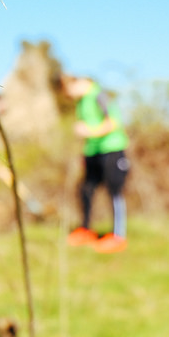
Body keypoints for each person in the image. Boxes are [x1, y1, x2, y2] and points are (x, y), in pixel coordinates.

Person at [63, 75, 130, 253]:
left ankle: (118, 236)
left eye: (69, 88)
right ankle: (85, 229)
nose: (68, 93)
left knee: (114, 191)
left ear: (81, 82)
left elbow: (112, 122)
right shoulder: (81, 102)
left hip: (111, 149)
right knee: (86, 189)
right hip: (92, 152)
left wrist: (90, 132)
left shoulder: (99, 96)